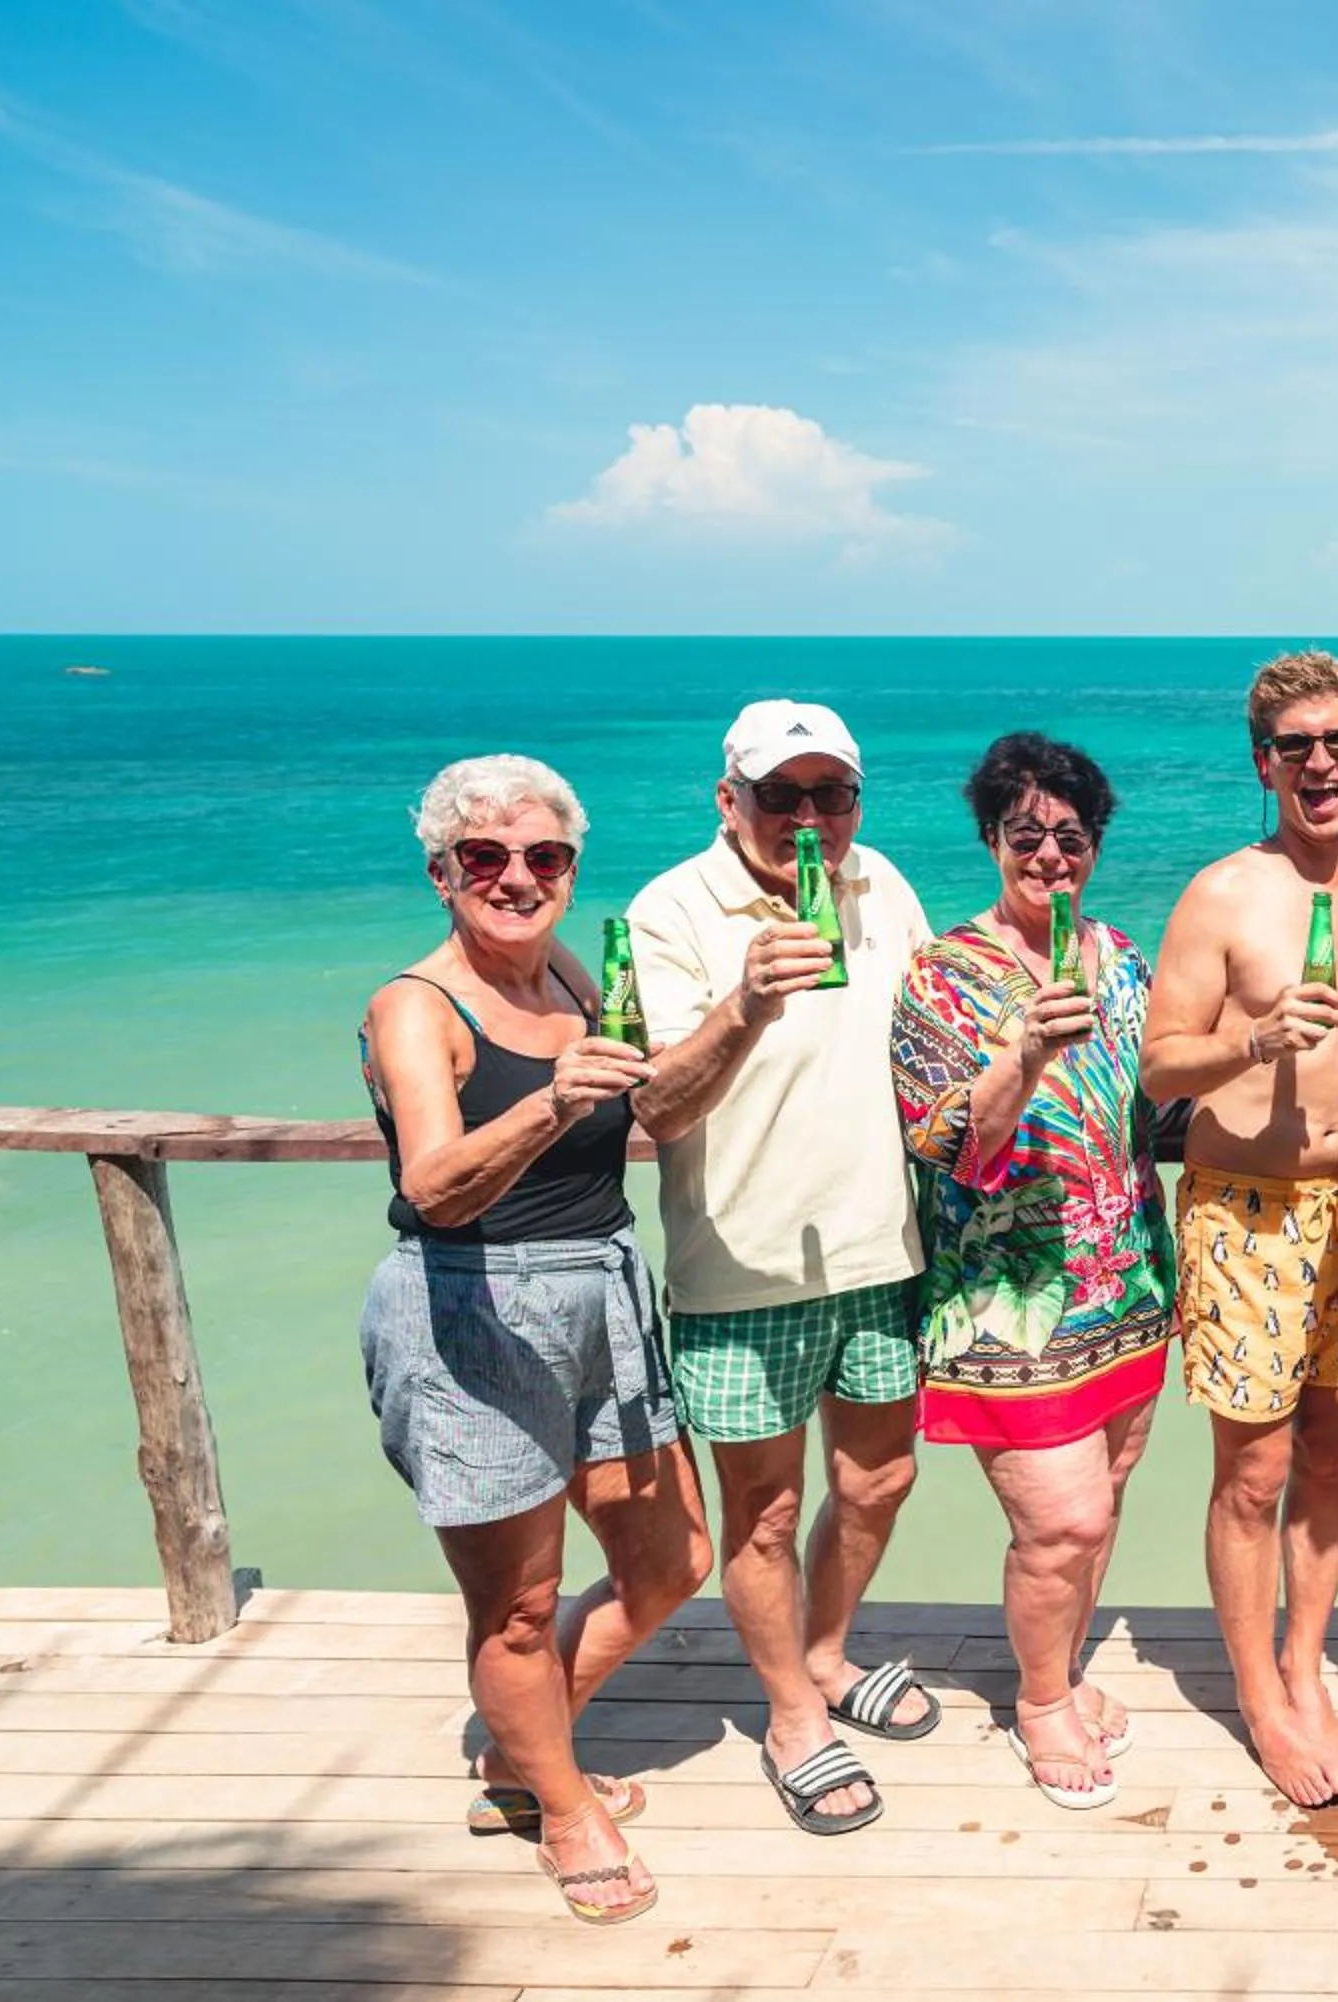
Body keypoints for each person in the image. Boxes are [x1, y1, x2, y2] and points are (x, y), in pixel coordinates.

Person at [356, 755, 713, 1926]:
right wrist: (551, 1101)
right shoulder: (416, 1006)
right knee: (515, 1605)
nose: (517, 877)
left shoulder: (571, 966)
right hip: (473, 1306)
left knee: (673, 1559)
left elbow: (652, 1101)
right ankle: (564, 1808)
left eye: (544, 856)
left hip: (604, 1287)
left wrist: (744, 1012)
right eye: (486, 858)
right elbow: (434, 1183)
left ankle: (521, 1749)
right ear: (441, 871)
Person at [623, 700, 936, 1836]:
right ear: (729, 801)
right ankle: (793, 1714)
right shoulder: (671, 910)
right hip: (740, 1266)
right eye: (781, 795)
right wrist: (748, 1000)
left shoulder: (881, 884)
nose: (809, 818)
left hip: (882, 1251)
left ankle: (828, 1651)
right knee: (762, 1514)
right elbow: (657, 1102)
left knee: (878, 1483)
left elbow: (936, 1034)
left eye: (832, 795)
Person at [1141, 650, 1338, 1808]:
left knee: (1334, 1446)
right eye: (1295, 745)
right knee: (1252, 1474)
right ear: (1264, 763)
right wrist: (1251, 1044)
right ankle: (1258, 1695)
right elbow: (1158, 1063)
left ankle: (1305, 1661)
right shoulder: (1221, 894)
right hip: (1243, 1213)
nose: (1319, 762)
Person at [891, 733, 1174, 1812]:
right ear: (991, 839)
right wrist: (1022, 1052)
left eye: (1071, 836)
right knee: (1061, 1522)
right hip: (1004, 1301)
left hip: (1125, 1285)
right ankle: (1040, 1700)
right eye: (1027, 835)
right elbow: (945, 1141)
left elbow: (1161, 1098)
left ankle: (1064, 1666)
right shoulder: (944, 974)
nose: (1050, 855)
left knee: (1103, 1500)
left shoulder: (1124, 957)